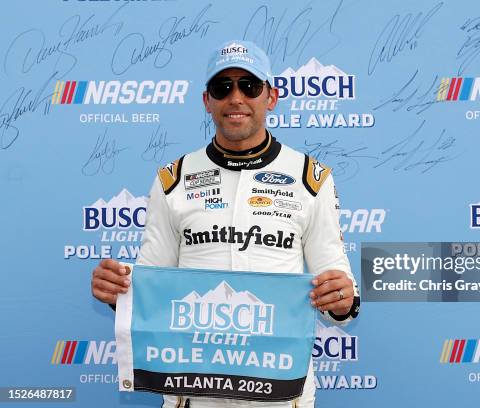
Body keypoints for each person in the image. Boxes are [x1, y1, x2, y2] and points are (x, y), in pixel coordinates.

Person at [91, 40, 360, 408]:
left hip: (279, 393)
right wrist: (118, 292)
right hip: (193, 392)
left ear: (271, 97)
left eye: (249, 86)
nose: (236, 98)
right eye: (223, 87)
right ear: (207, 101)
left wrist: (341, 300)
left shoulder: (309, 178)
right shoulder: (175, 178)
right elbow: (152, 282)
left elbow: (337, 286)